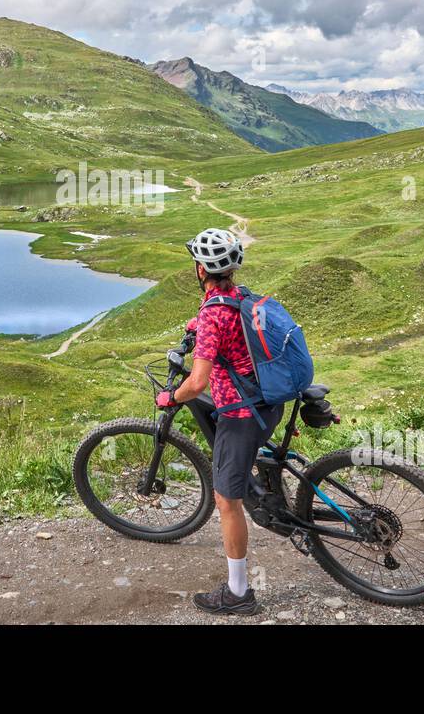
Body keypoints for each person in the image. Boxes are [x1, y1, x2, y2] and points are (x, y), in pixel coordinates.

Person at [155, 227, 282, 615]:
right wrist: (197, 328)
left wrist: (169, 397)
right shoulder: (237, 296)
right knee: (230, 441)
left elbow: (196, 383)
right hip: (268, 401)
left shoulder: (215, 314)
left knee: (226, 498)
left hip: (243, 412)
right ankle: (270, 484)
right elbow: (226, 331)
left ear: (200, 269)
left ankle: (239, 593)